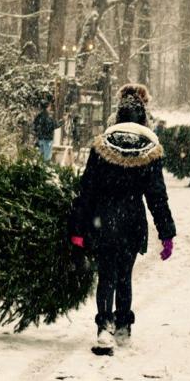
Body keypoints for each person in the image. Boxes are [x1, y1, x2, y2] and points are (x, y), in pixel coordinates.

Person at [68, 84, 176, 356]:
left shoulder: (102, 146)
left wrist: (79, 228)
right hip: (132, 221)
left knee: (106, 276)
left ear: (117, 116)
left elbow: (87, 189)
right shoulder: (150, 149)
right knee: (125, 276)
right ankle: (123, 326)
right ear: (143, 118)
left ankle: (104, 326)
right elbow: (156, 195)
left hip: (103, 220)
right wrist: (166, 233)